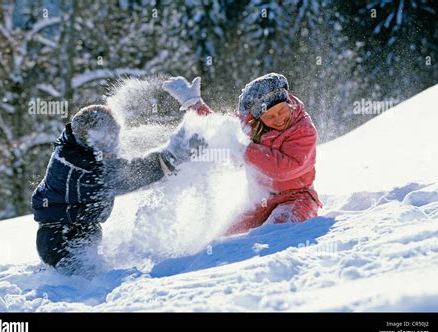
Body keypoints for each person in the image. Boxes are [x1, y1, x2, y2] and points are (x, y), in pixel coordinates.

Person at [31, 104, 205, 275]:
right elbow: (127, 176)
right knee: (92, 283)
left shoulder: (77, 147)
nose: (115, 144)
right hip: (62, 243)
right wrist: (169, 158)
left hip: (75, 232)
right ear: (94, 140)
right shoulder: (79, 169)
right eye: (110, 139)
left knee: (96, 276)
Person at [163, 73, 323, 236]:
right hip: (261, 200)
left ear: (288, 103)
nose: (279, 119)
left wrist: (245, 150)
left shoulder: (303, 129)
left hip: (297, 198)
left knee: (275, 234)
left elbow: (283, 168)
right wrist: (194, 104)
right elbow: (220, 130)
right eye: (270, 116)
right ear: (259, 117)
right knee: (227, 238)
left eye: (282, 111)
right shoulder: (250, 122)